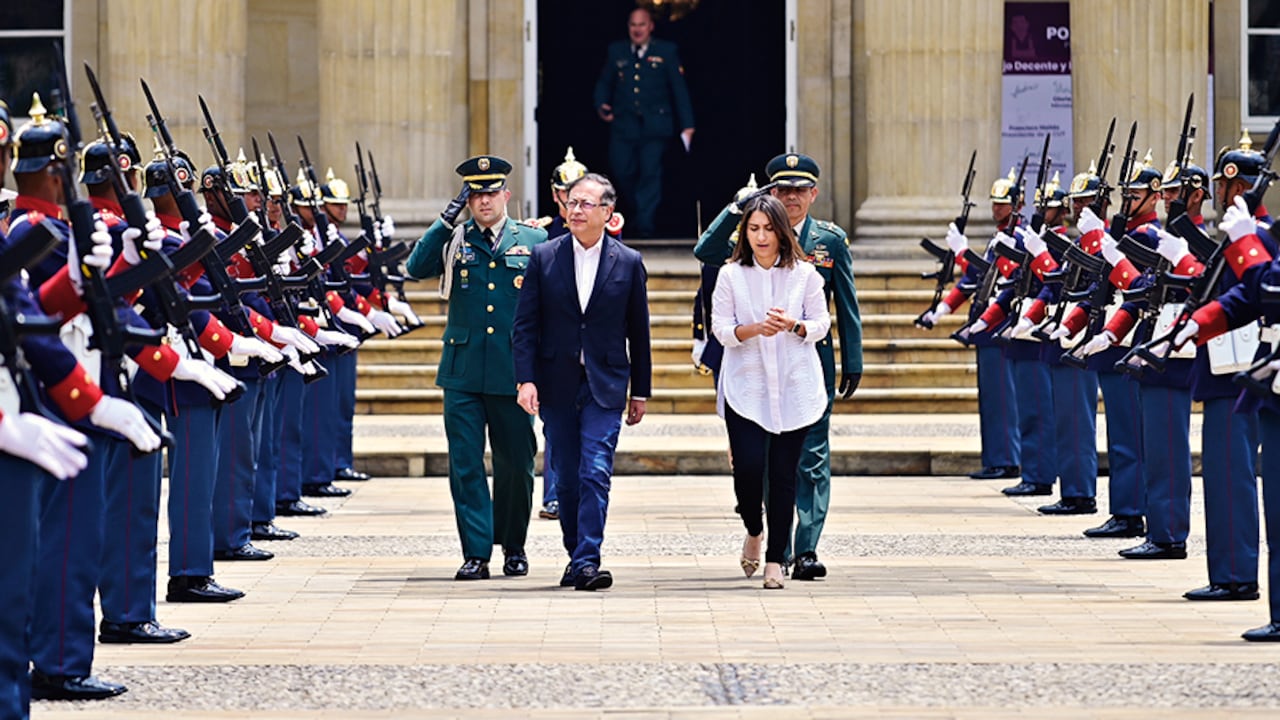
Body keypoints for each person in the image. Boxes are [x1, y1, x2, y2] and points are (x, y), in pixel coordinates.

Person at [405, 155, 547, 580]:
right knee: (465, 463)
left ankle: (514, 546)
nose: (484, 201)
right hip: (463, 371)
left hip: (513, 370)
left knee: (516, 463)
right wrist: (444, 221)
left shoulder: (534, 240)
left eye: (491, 192)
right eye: (475, 194)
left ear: (506, 195)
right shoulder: (455, 239)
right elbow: (415, 268)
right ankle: (476, 552)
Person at [512, 172, 652, 591]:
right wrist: (525, 380)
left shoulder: (628, 261)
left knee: (595, 470)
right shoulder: (545, 256)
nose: (575, 210)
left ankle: (588, 560)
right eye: (571, 202)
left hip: (605, 383)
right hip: (556, 381)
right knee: (567, 477)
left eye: (586, 204)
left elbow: (639, 331)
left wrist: (641, 390)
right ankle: (577, 554)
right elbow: (525, 326)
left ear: (608, 212)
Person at [710, 194, 830, 590]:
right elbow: (721, 329)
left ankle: (776, 558)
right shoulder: (731, 275)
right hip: (747, 387)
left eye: (768, 229)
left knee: (783, 475)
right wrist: (754, 329)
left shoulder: (805, 275)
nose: (761, 237)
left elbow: (821, 324)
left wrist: (794, 325)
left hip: (794, 387)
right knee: (747, 470)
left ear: (781, 232)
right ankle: (753, 528)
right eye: (753, 229)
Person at [593, 7, 694, 238]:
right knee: (621, 170)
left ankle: (645, 225)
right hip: (624, 125)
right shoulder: (617, 50)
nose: (637, 29)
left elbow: (678, 89)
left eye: (642, 25)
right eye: (633, 25)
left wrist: (688, 124)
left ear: (651, 27)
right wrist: (601, 104)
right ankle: (639, 211)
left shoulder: (666, 51)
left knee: (650, 174)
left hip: (655, 127)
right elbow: (604, 82)